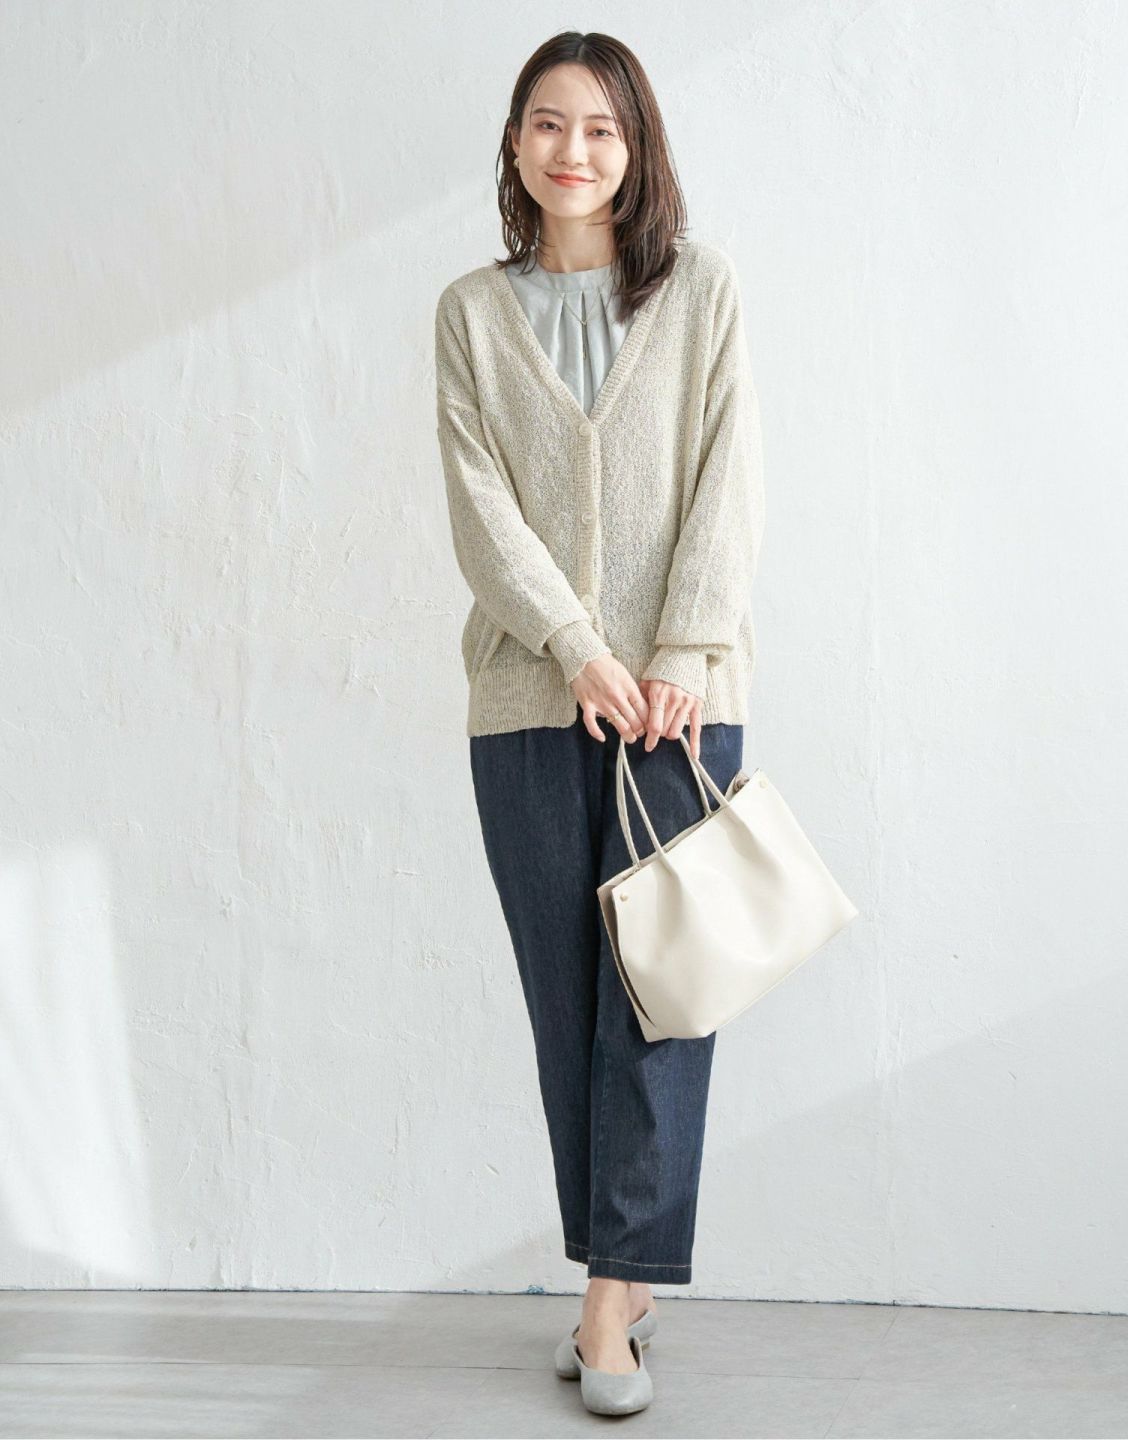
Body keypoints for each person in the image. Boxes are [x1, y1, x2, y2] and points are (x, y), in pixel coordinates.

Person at [433, 30, 765, 1417]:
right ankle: (618, 1281)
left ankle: (609, 1306)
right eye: (547, 124)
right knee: (569, 1008)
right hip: (529, 704)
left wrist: (680, 648)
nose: (573, 151)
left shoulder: (700, 290)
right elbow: (478, 504)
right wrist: (575, 649)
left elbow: (728, 475)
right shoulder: (470, 312)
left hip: (680, 711)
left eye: (602, 129)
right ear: (516, 142)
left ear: (638, 149)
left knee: (660, 1009)